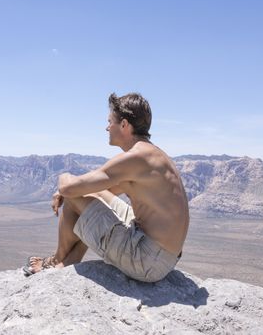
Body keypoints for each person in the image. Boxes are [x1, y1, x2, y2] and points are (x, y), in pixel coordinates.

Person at [23, 92, 189, 282]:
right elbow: (100, 190)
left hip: (148, 261)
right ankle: (68, 259)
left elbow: (69, 188)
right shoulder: (152, 154)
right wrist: (74, 190)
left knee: (72, 195)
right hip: (163, 254)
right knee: (87, 193)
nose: (106, 127)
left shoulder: (136, 157)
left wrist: (64, 179)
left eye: (110, 121)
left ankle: (58, 261)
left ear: (124, 125)